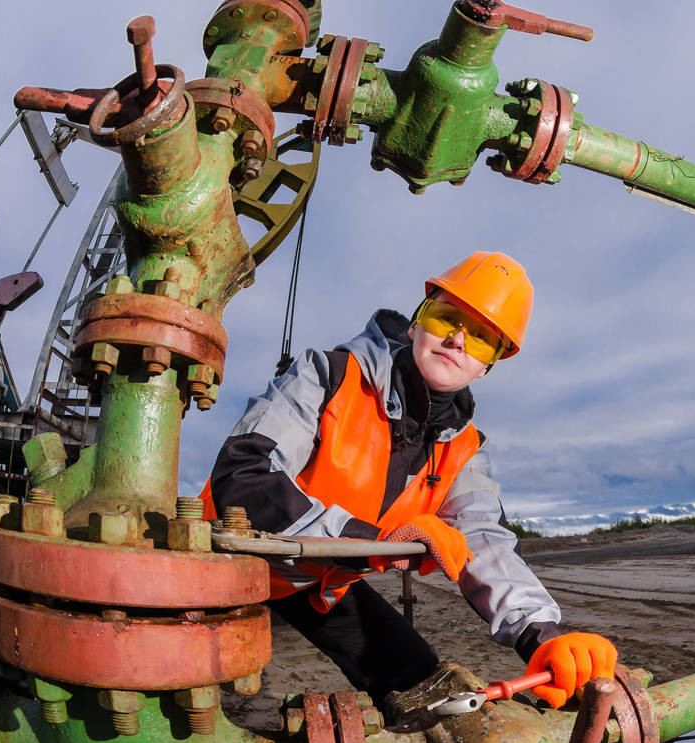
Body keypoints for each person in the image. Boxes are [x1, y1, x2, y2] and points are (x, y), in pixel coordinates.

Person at [202, 251, 616, 708]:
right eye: (446, 318)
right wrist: (379, 542)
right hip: (217, 566)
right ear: (417, 322)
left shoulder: (465, 446)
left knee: (421, 685)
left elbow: (481, 539)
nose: (458, 341)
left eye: (481, 339)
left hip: (316, 582)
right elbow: (245, 477)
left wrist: (541, 634)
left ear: (489, 365)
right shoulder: (327, 375)